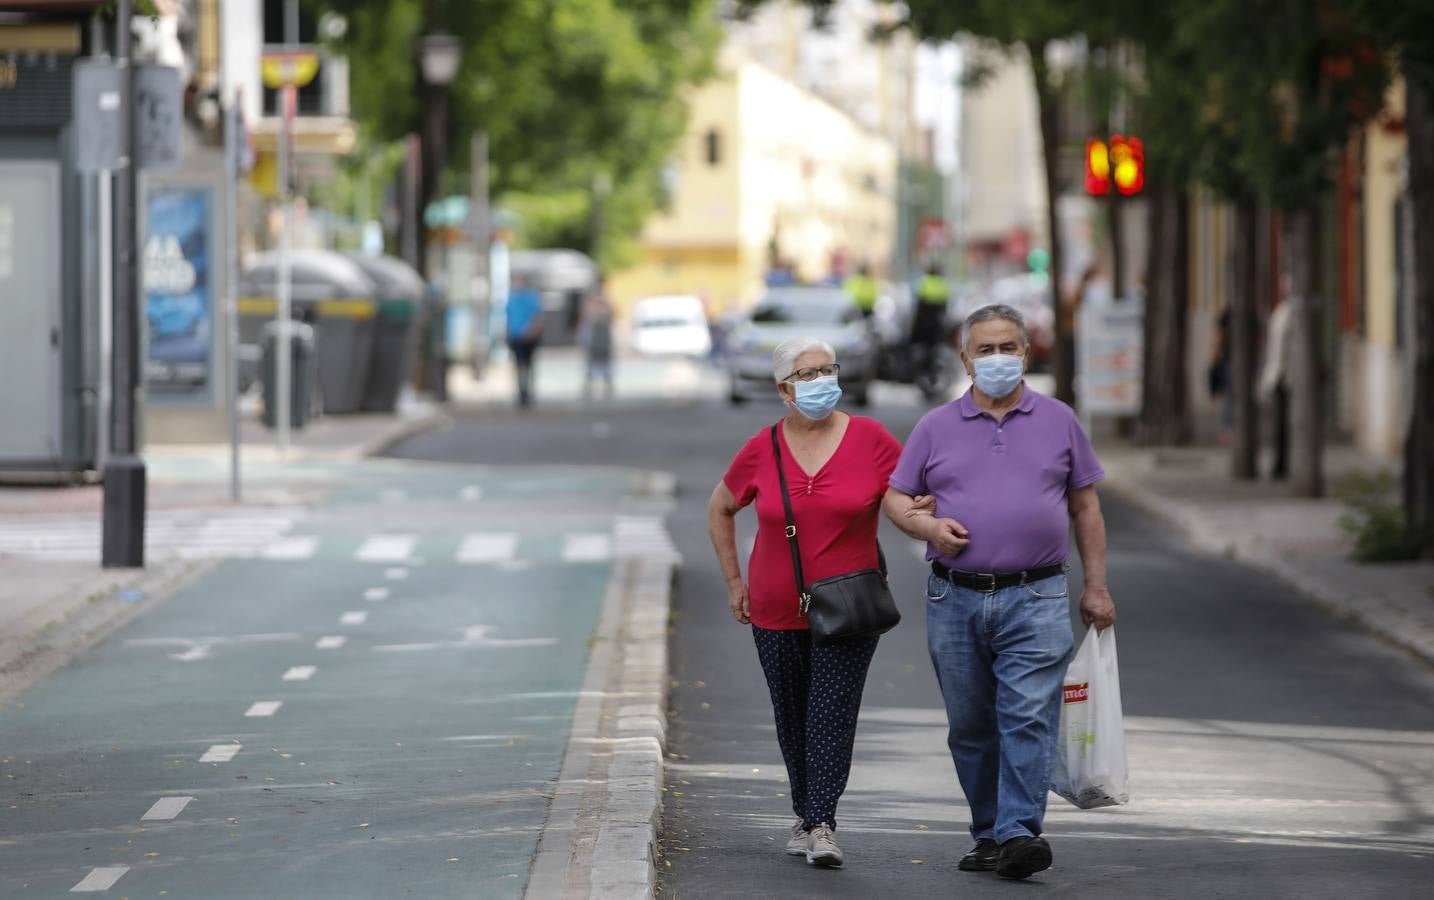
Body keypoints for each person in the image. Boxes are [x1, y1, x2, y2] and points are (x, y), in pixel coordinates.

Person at [883, 303, 1117, 881]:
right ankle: (988, 830)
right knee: (970, 724)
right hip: (953, 597)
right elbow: (894, 498)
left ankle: (1018, 832)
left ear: (1025, 353)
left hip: (1036, 596)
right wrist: (928, 528)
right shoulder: (935, 426)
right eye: (984, 350)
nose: (997, 359)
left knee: (1028, 716)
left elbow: (1085, 507)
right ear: (965, 360)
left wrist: (1096, 587)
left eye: (1007, 347)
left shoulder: (1059, 419)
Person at [707, 337, 904, 870]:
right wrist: (733, 583)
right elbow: (721, 508)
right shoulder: (761, 448)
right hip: (773, 607)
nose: (821, 381)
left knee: (830, 715)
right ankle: (805, 812)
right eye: (807, 374)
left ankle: (821, 822)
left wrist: (926, 514)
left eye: (828, 369)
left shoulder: (871, 439)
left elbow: (909, 494)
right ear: (783, 389)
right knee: (791, 716)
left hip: (849, 606)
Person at [1259, 281, 1297, 480]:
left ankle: (1281, 465)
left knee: (1282, 425)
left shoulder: (1284, 313)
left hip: (1282, 375)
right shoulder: (1285, 313)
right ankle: (1280, 464)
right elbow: (1278, 350)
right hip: (1282, 376)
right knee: (1281, 425)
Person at [506, 273, 544, 408]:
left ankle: (527, 392)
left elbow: (538, 317)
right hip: (516, 337)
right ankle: (522, 392)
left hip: (529, 338)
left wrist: (531, 332)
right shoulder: (511, 299)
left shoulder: (531, 298)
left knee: (528, 365)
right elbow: (508, 319)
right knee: (520, 365)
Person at [911, 264, 951, 375]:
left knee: (918, 344)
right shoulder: (942, 284)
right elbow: (945, 306)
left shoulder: (924, 282)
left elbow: (919, 304)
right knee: (935, 346)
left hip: (924, 321)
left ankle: (921, 367)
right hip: (937, 322)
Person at [579, 283, 615, 401]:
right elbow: (586, 319)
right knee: (590, 364)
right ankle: (589, 386)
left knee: (605, 364)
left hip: (603, 339)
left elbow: (610, 316)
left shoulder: (605, 305)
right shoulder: (590, 306)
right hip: (592, 339)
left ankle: (607, 386)